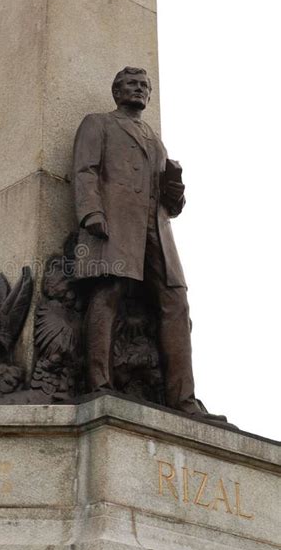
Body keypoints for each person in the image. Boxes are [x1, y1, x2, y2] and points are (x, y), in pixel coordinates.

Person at [72, 66, 219, 419]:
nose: (138, 90)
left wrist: (176, 188)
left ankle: (183, 399)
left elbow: (172, 205)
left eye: (143, 86)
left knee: (177, 303)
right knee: (109, 292)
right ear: (116, 92)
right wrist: (91, 211)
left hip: (157, 230)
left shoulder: (156, 139)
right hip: (116, 223)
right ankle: (100, 383)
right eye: (130, 85)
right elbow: (84, 170)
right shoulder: (99, 123)